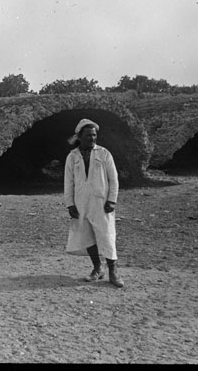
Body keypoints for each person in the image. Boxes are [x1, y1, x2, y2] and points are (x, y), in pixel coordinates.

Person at [64, 118, 124, 288]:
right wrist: (70, 204)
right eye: (89, 135)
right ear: (80, 137)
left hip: (102, 203)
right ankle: (97, 268)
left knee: (107, 235)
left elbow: (114, 179)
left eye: (94, 135)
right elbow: (68, 183)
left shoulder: (104, 154)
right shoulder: (72, 156)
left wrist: (112, 200)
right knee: (87, 235)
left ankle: (113, 272)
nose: (92, 138)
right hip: (81, 203)